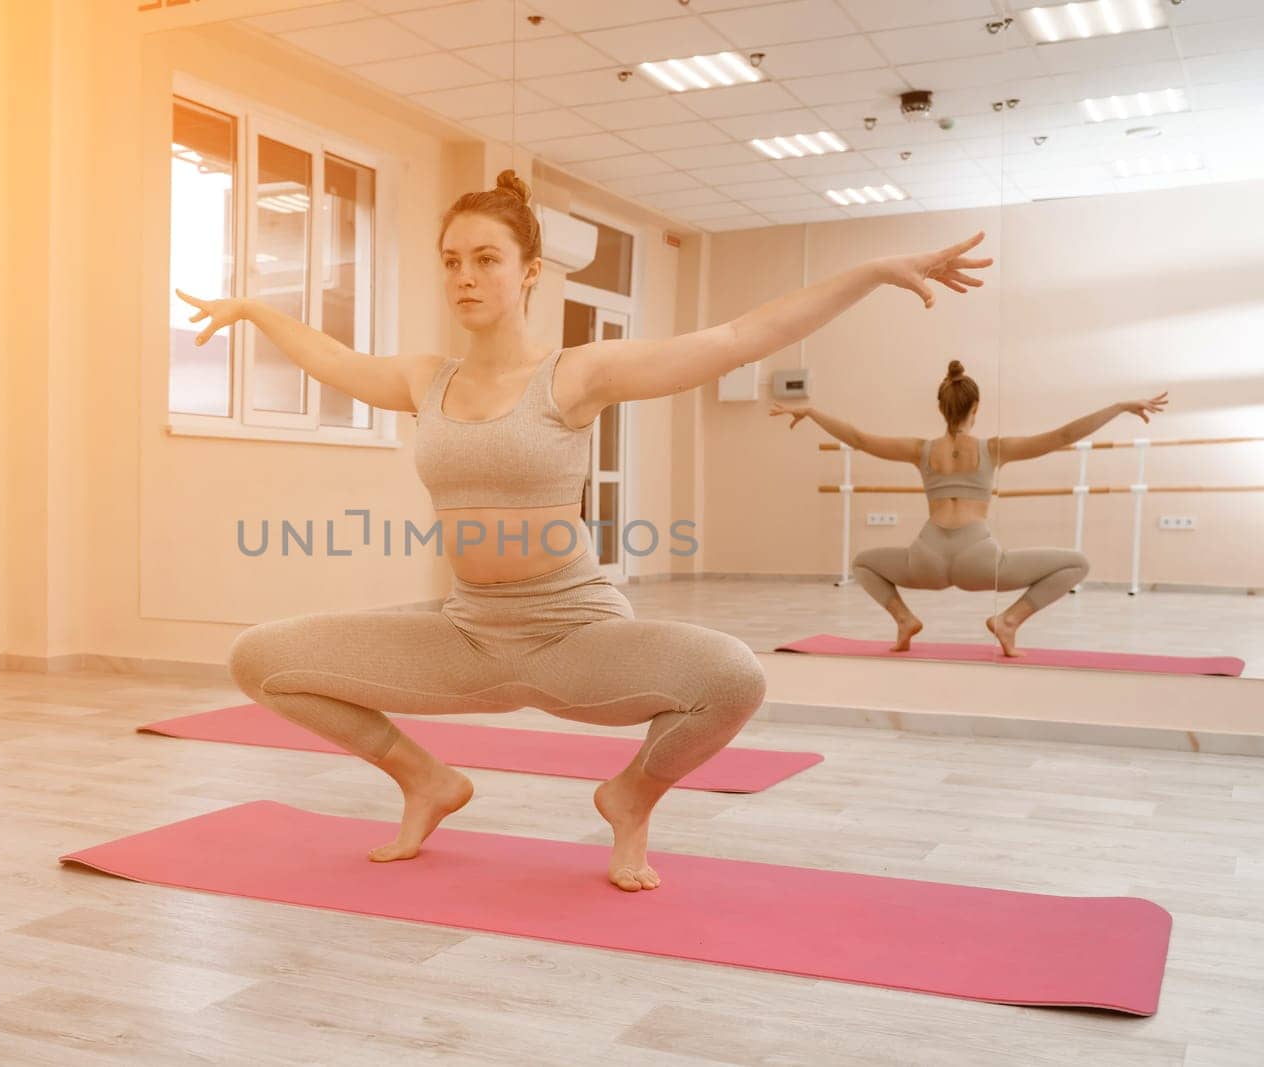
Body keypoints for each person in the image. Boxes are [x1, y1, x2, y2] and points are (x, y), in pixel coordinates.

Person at [180, 169, 992, 891]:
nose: (465, 275)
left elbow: (737, 339)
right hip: (466, 635)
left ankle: (631, 794)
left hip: (574, 634)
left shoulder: (575, 375)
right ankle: (427, 780)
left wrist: (875, 272)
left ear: (530, 272)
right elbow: (328, 356)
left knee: (733, 678)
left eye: (486, 258)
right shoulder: (424, 378)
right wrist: (253, 307)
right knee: (261, 659)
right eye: (452, 260)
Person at [771, 364, 1167, 655]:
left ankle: (905, 619)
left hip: (925, 556)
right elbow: (1062, 436)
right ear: (975, 406)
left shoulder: (920, 450)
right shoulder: (992, 449)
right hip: (979, 559)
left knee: (862, 562)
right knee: (1076, 563)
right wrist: (1117, 406)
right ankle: (1008, 621)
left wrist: (812, 411)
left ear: (941, 408)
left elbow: (858, 438)